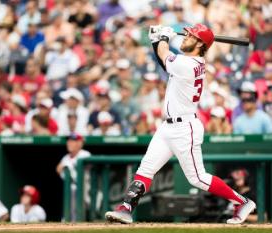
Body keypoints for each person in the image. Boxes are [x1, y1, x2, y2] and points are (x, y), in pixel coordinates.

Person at [105, 24, 256, 224]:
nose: (185, 37)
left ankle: (242, 202)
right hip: (167, 127)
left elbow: (164, 54)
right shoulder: (187, 62)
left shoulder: (188, 64)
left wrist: (163, 39)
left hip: (185, 129)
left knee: (198, 179)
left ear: (200, 43)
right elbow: (164, 60)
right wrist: (156, 41)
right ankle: (125, 208)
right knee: (146, 169)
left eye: (191, 36)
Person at [56, 133, 91, 222]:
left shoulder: (85, 154)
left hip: (87, 190)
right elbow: (58, 169)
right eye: (69, 141)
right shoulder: (66, 157)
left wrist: (65, 166)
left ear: (80, 143)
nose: (69, 143)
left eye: (73, 141)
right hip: (72, 190)